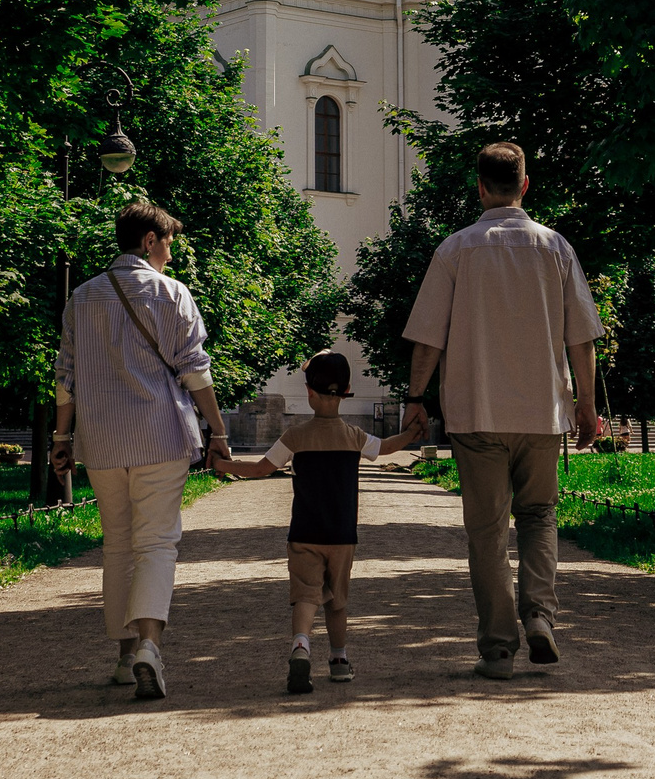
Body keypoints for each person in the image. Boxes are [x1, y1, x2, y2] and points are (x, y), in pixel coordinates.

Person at [401, 142, 604, 680]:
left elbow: (428, 337)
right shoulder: (555, 247)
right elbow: (582, 337)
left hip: (476, 412)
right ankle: (539, 614)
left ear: (480, 187)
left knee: (487, 531)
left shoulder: (456, 249)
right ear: (525, 185)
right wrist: (586, 405)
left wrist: (415, 399)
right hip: (542, 412)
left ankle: (497, 648)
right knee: (539, 518)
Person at [53, 201, 231, 701]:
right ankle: (150, 646)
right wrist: (217, 431)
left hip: (102, 441)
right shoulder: (172, 294)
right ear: (149, 240)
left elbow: (64, 378)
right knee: (156, 542)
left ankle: (124, 655)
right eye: (169, 243)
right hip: (160, 435)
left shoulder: (82, 298)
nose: (171, 254)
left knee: (117, 544)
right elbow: (195, 371)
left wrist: (61, 440)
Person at [215, 349, 426, 692]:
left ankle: (300, 645)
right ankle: (340, 660)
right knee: (337, 601)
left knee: (305, 596)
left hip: (305, 532)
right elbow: (386, 448)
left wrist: (221, 465)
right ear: (345, 392)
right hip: (343, 534)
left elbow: (260, 469)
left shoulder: (296, 437)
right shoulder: (354, 436)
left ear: (309, 392)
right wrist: (411, 434)